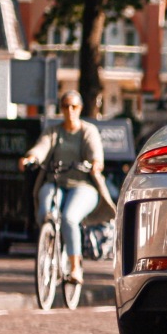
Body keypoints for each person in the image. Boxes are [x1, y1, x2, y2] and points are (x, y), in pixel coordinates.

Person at [19, 90, 114, 285]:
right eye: (65, 106)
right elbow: (42, 147)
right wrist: (32, 157)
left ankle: (74, 267)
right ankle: (49, 248)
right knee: (45, 209)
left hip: (83, 186)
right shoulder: (54, 131)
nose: (70, 110)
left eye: (74, 106)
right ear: (61, 109)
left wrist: (95, 163)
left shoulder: (88, 131)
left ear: (80, 109)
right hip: (56, 183)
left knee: (70, 217)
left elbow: (96, 154)